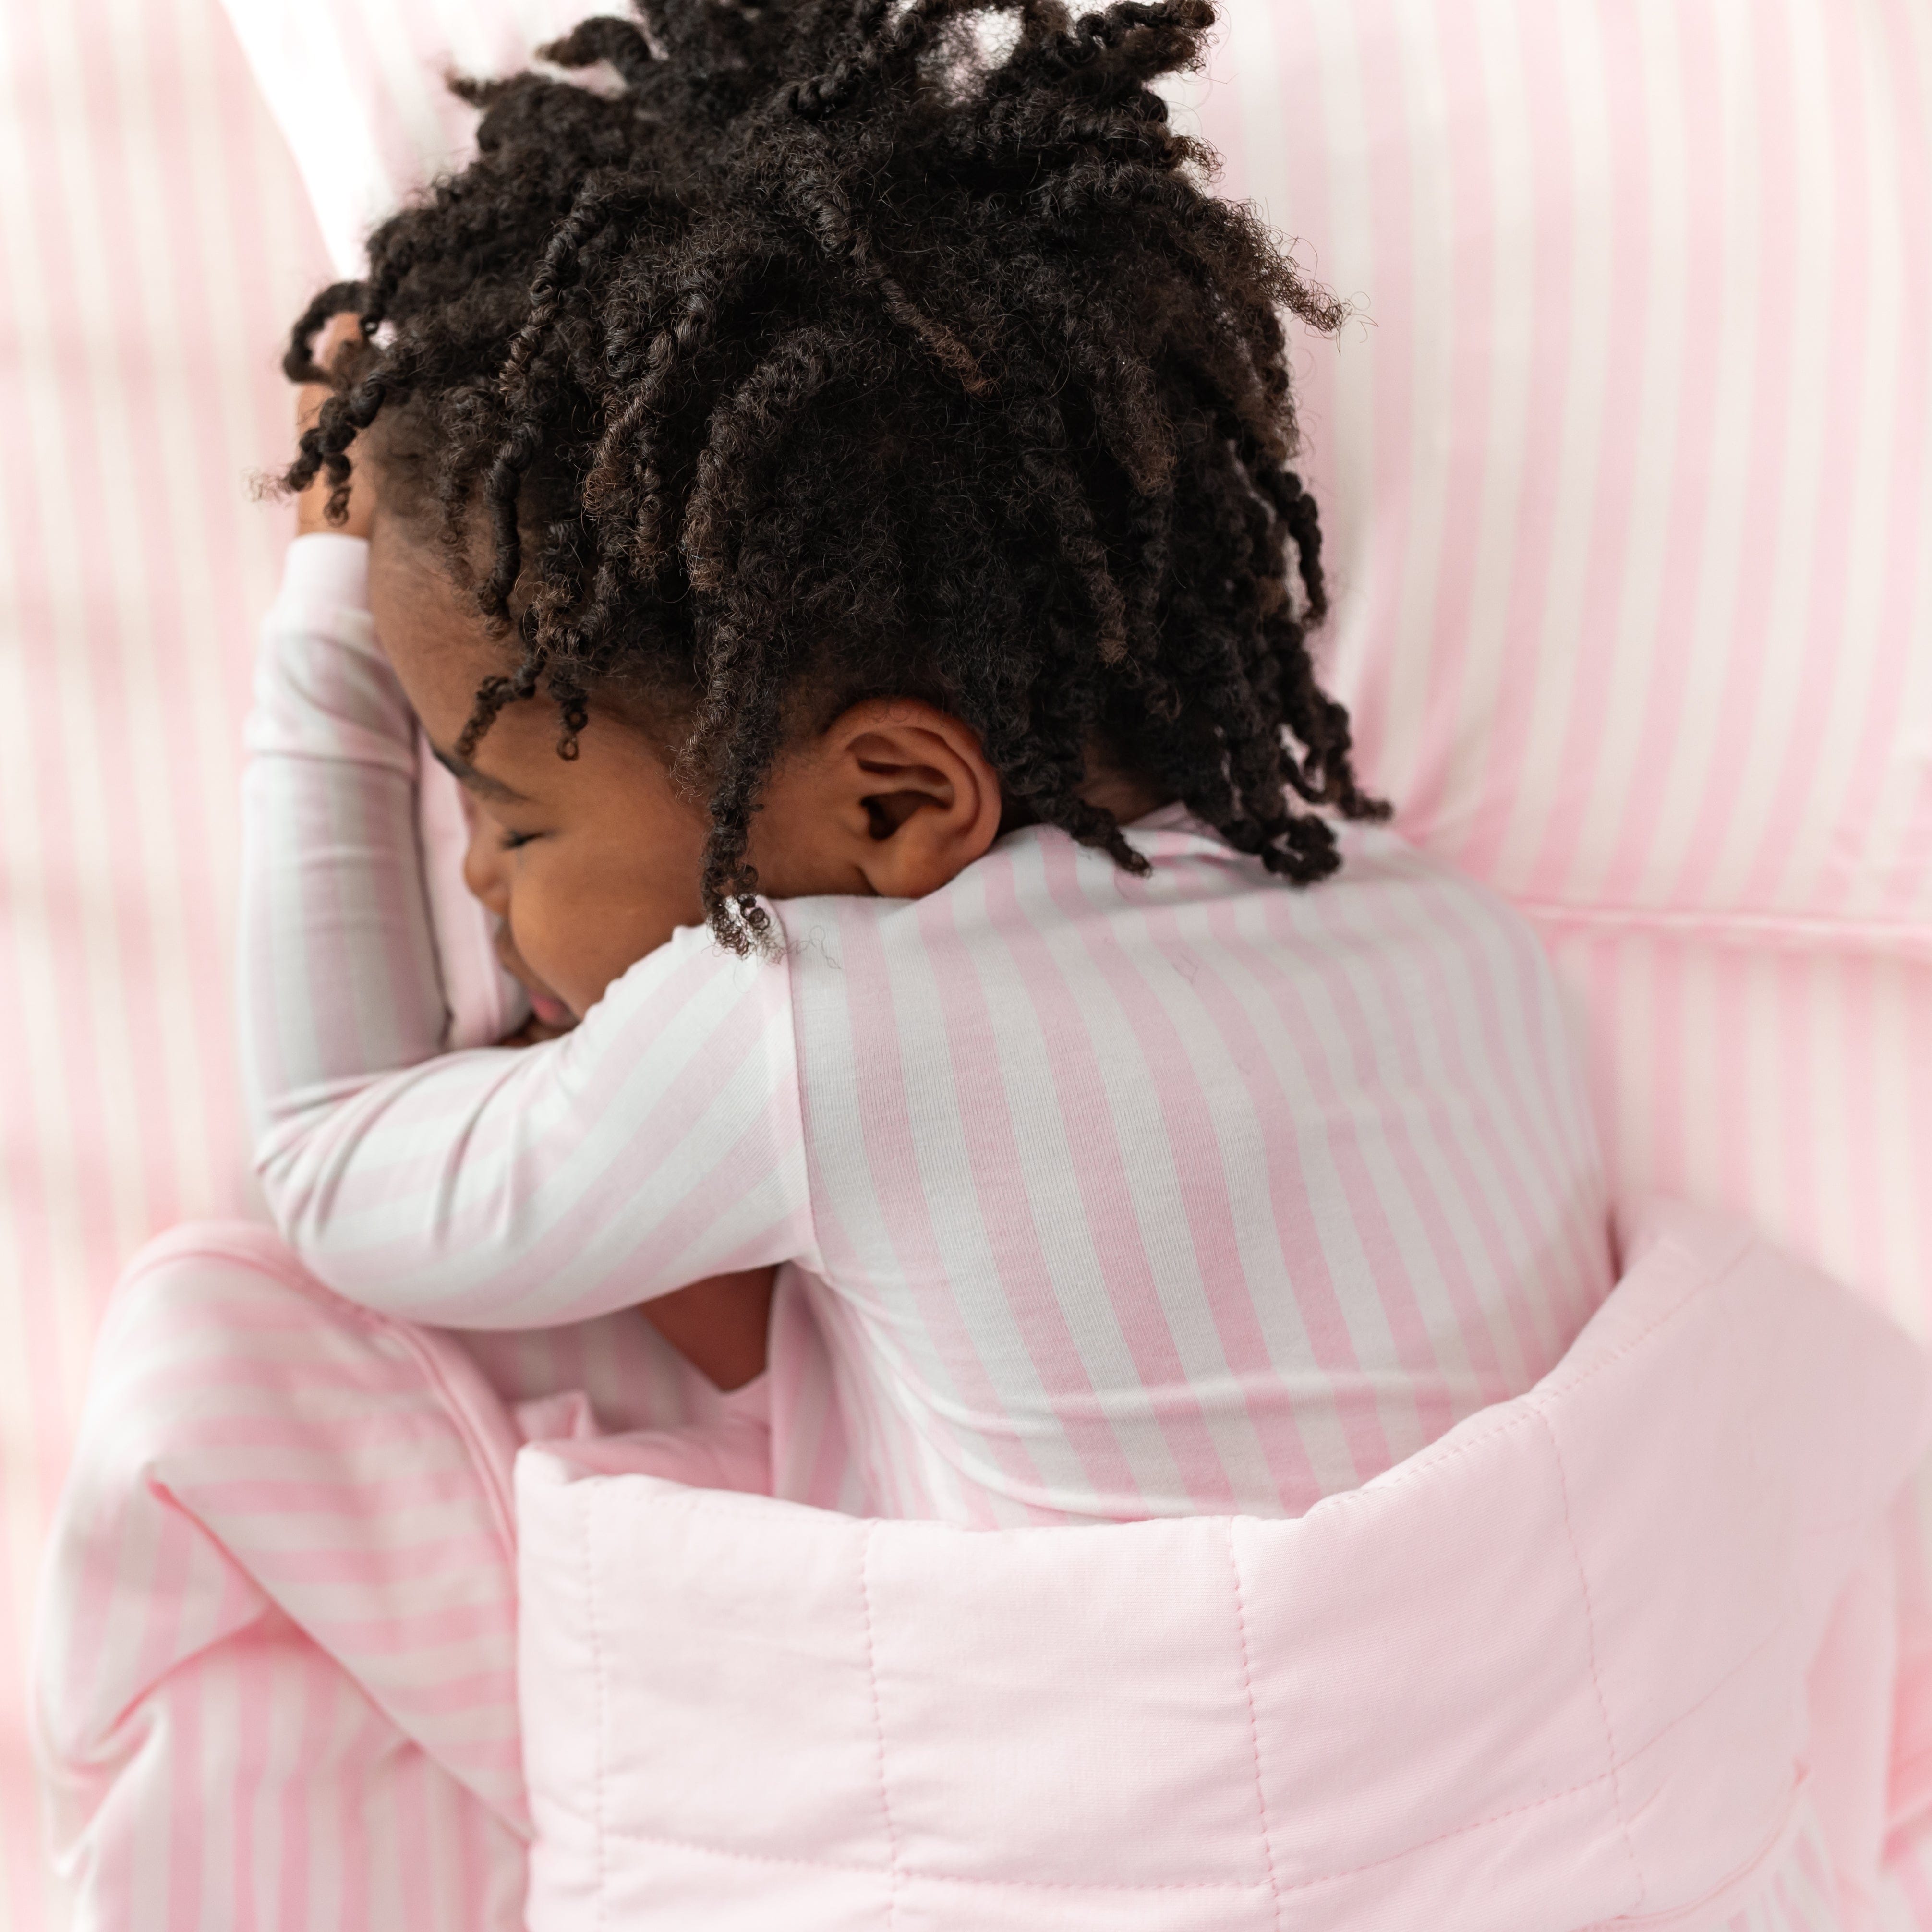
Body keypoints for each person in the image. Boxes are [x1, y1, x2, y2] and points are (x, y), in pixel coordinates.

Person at [33, 0, 1613, 1920]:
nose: (482, 884)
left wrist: (324, 605)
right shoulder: (1466, 950)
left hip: (1119, 1855)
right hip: (1571, 1815)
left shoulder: (820, 1023)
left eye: (511, 819)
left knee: (216, 1355)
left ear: (886, 807)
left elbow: (335, 1164)